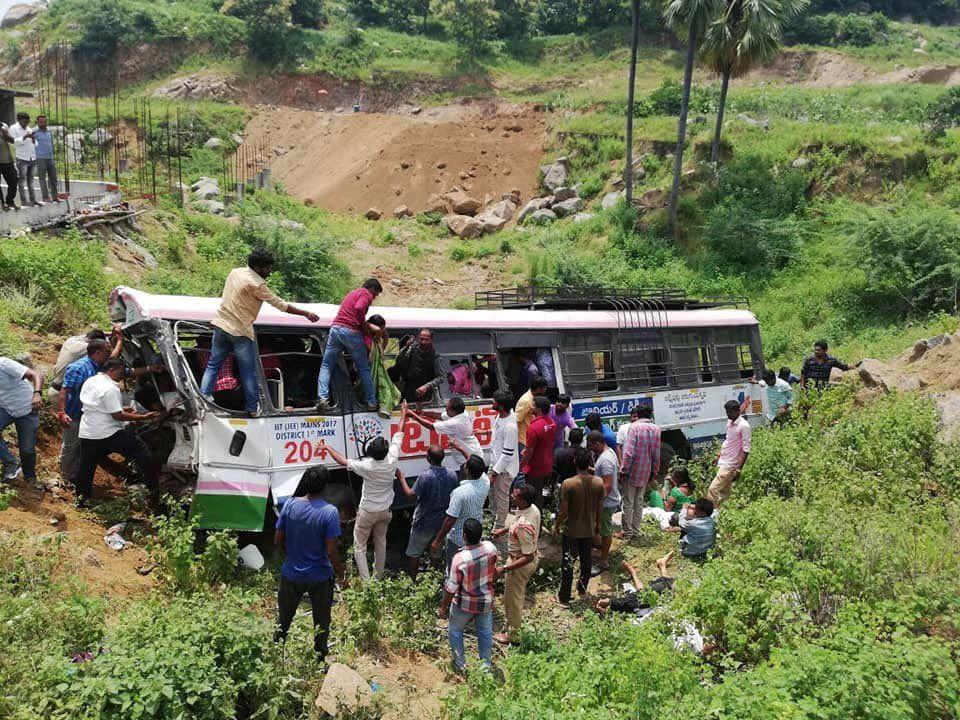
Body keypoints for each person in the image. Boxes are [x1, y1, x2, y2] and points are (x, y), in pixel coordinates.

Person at [202, 251, 319, 415]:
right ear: (258, 267)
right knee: (248, 370)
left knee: (213, 365)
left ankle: (205, 396)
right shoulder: (257, 285)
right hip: (240, 331)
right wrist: (306, 313)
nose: (270, 271)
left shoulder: (235, 272)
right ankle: (252, 408)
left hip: (221, 325)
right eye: (268, 268)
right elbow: (281, 305)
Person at [274, 466, 345, 662]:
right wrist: (342, 573)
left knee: (284, 618)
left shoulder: (289, 505)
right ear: (324, 487)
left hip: (291, 573)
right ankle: (319, 657)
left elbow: (277, 540)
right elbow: (331, 551)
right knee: (321, 620)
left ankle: (276, 654)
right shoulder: (329, 512)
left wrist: (291, 556)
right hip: (320, 577)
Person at [320, 428, 402, 582]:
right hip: (385, 511)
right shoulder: (392, 459)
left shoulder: (366, 465)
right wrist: (404, 414)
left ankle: (366, 583)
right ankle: (378, 578)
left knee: (359, 547)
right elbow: (399, 435)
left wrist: (328, 448)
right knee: (381, 543)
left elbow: (342, 461)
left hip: (367, 511)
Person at [75, 359, 159, 506]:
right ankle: (153, 492)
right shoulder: (110, 388)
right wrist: (142, 417)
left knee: (86, 467)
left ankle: (82, 500)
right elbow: (117, 416)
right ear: (111, 370)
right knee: (142, 452)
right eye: (120, 372)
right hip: (108, 433)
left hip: (88, 431)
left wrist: (122, 409)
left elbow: (98, 405)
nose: (122, 375)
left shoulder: (91, 381)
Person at [317, 278, 384, 411]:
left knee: (326, 365)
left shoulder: (352, 293)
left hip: (335, 329)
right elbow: (359, 308)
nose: (374, 297)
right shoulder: (366, 294)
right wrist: (363, 326)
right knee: (363, 369)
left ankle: (322, 398)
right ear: (372, 288)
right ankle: (371, 402)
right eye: (375, 294)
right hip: (351, 331)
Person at [440, 518, 498, 673]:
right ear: (480, 534)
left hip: (464, 604)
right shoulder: (491, 548)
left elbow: (451, 588)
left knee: (455, 631)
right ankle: (485, 666)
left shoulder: (459, 559)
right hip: (486, 600)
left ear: (464, 536)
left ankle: (460, 665)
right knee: (485, 632)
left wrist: (443, 608)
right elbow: (495, 570)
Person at [398, 444, 458, 581]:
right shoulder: (452, 475)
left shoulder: (425, 477)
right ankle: (433, 580)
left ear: (428, 458)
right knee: (436, 552)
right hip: (442, 522)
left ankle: (413, 580)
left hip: (423, 522)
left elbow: (411, 496)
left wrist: (401, 479)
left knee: (414, 552)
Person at [554, 448, 604, 606]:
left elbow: (564, 510)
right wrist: (597, 527)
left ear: (575, 462)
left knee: (568, 563)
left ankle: (564, 596)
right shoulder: (598, 482)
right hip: (588, 529)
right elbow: (599, 509)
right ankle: (582, 588)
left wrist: (556, 526)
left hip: (571, 531)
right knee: (586, 561)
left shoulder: (568, 484)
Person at [492, 484, 541, 644]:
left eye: (516, 496)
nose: (512, 496)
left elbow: (528, 557)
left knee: (513, 599)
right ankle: (512, 625)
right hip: (520, 557)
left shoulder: (523, 527)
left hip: (519, 564)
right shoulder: (533, 509)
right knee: (512, 596)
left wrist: (504, 568)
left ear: (524, 501)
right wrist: (504, 530)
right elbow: (517, 521)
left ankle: (513, 635)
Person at [57, 340, 111, 484]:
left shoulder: (98, 366)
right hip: (74, 414)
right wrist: (62, 412)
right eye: (107, 352)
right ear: (97, 353)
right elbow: (65, 390)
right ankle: (66, 476)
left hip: (87, 415)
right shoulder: (79, 367)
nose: (110, 355)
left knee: (78, 445)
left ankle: (70, 470)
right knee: (71, 446)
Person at [431, 454, 490, 569]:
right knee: (469, 566)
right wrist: (460, 448)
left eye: (465, 464)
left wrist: (437, 540)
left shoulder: (460, 493)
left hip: (458, 538)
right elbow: (477, 466)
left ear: (467, 470)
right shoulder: (485, 482)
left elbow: (450, 520)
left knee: (454, 567)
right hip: (475, 533)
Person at [618, 405, 661, 539]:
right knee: (639, 501)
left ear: (639, 414)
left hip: (632, 471)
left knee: (628, 502)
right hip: (646, 471)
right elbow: (656, 453)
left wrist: (623, 470)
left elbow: (629, 453)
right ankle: (636, 531)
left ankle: (628, 532)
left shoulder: (634, 427)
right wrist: (654, 471)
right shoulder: (656, 429)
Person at [0, 355, 43, 486]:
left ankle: (30, 478)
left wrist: (37, 393)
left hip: (27, 408)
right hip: (6, 409)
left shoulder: (4, 364)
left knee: (27, 449)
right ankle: (11, 463)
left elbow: (35, 375)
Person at [405, 397, 481, 467]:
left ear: (454, 411)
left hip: (470, 459)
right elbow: (440, 416)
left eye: (447, 409)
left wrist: (413, 415)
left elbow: (431, 426)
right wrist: (422, 413)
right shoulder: (462, 413)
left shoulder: (456, 423)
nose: (445, 411)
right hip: (472, 454)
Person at [488, 389, 518, 557]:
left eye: (494, 401)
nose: (491, 403)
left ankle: (499, 529)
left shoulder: (511, 426)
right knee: (492, 496)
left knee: (501, 498)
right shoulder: (501, 417)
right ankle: (495, 522)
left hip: (503, 470)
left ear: (500, 406)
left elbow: (507, 454)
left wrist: (494, 473)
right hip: (495, 464)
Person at [707, 400, 751, 506]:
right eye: (727, 412)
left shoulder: (744, 426)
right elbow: (728, 441)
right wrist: (719, 455)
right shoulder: (730, 422)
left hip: (731, 464)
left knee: (712, 489)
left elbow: (746, 449)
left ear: (737, 411)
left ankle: (708, 515)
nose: (728, 415)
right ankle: (723, 513)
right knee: (725, 493)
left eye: (730, 412)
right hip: (724, 460)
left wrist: (739, 469)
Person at [587, 430, 619, 572]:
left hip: (606, 502)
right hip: (606, 501)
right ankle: (600, 549)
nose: (591, 449)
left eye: (592, 446)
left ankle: (604, 561)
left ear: (598, 443)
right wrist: (593, 470)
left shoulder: (605, 459)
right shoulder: (609, 452)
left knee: (605, 531)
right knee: (600, 528)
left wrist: (596, 501)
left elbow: (608, 485)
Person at [519, 396, 557, 505]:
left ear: (539, 409)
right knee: (540, 494)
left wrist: (521, 465)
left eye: (533, 405)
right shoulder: (551, 423)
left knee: (533, 497)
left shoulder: (534, 428)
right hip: (548, 465)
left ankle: (535, 519)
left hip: (535, 469)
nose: (531, 407)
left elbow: (529, 451)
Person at [394, 328, 444, 404]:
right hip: (408, 389)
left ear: (431, 340)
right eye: (421, 339)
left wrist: (426, 386)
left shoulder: (435, 356)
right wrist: (406, 347)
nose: (423, 342)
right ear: (418, 338)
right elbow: (399, 361)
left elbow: (441, 377)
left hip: (425, 395)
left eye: (426, 339)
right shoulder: (412, 349)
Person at [9, 112, 37, 206]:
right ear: (19, 120)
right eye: (24, 121)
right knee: (22, 181)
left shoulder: (29, 129)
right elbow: (13, 143)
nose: (26, 123)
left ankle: (33, 200)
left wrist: (33, 139)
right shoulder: (13, 128)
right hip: (22, 158)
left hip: (32, 158)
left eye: (27, 121)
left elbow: (35, 144)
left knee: (31, 181)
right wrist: (24, 137)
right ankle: (24, 201)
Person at [515, 376, 547, 451]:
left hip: (532, 439)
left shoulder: (534, 398)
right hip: (524, 441)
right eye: (544, 388)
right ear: (539, 389)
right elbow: (517, 419)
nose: (545, 390)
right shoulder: (526, 401)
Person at [33, 115, 59, 203]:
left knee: (53, 178)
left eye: (45, 121)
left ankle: (55, 196)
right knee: (42, 178)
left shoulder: (49, 132)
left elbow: (51, 144)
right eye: (41, 122)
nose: (43, 123)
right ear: (37, 122)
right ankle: (45, 197)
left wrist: (53, 155)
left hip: (50, 158)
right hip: (40, 158)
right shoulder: (34, 132)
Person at [0, 121, 18, 209]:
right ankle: (2, 203)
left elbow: (12, 140)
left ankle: (10, 201)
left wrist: (5, 133)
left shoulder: (3, 125)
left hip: (7, 160)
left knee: (14, 181)